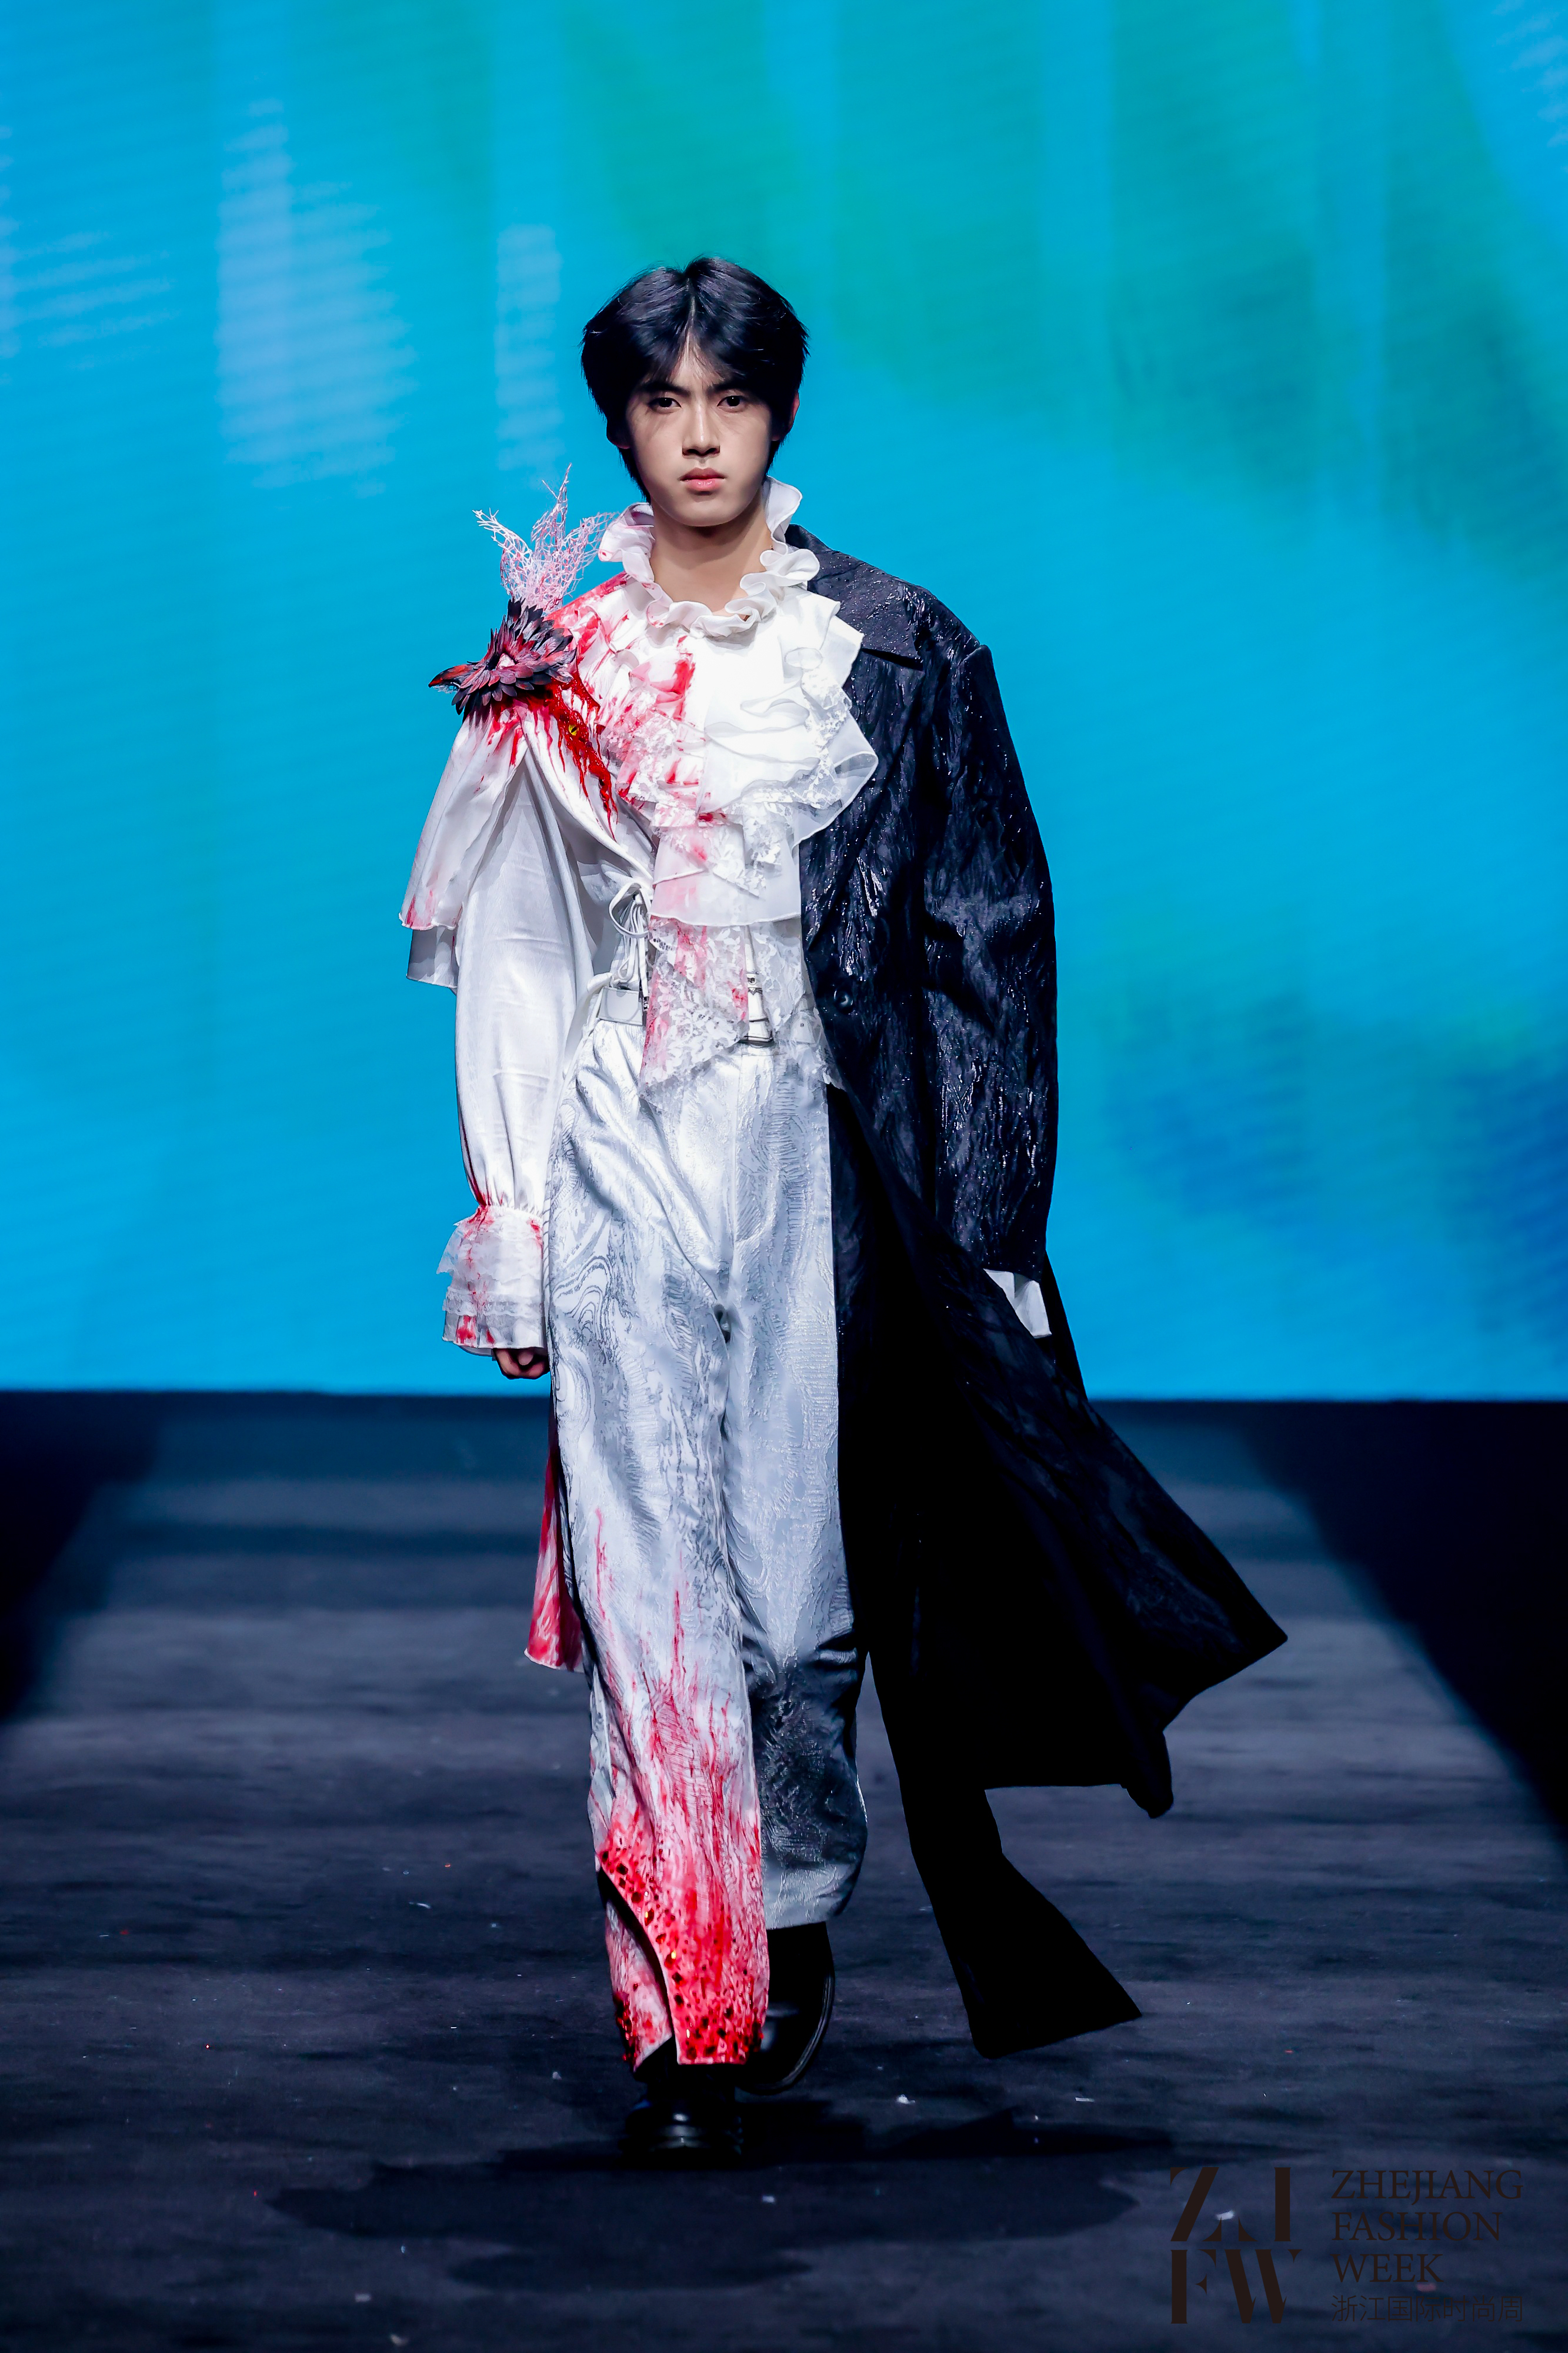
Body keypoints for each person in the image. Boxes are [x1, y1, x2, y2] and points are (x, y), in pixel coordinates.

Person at [402, 257, 1285, 2166]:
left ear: (779, 412)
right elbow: (525, 954)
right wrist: (518, 1212)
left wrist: (990, 1225)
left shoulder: (895, 646)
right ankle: (688, 1993)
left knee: (801, 1608)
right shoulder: (558, 655)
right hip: (623, 1139)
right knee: (651, 1585)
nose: (697, 435)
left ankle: (789, 1897)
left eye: (729, 397)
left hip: (826, 1161)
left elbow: (988, 946)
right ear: (618, 423)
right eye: (661, 401)